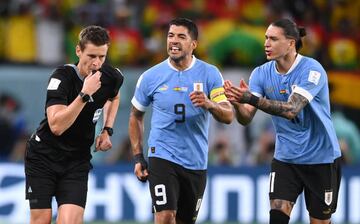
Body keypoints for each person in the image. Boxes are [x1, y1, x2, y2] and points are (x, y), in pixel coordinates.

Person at [224, 18, 341, 224]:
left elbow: (292, 109)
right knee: (277, 215)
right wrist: (237, 102)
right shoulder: (261, 73)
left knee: (319, 221)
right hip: (286, 158)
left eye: (273, 39)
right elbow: (246, 117)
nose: (266, 44)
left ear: (290, 43)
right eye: (266, 38)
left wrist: (250, 98)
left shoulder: (312, 70)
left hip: (321, 158)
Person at [128, 18, 233, 224]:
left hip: (195, 161)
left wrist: (209, 104)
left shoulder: (210, 74)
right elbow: (136, 115)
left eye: (181, 37)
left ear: (194, 44)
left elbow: (228, 115)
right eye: (170, 35)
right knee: (165, 216)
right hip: (162, 155)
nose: (173, 41)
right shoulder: (151, 76)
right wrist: (139, 156)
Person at [24, 25, 124, 224]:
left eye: (102, 57)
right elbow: (56, 126)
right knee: (41, 220)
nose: (96, 63)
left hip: (76, 161)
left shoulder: (112, 77)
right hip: (42, 157)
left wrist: (107, 129)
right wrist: (84, 95)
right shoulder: (61, 78)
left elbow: (114, 96)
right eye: (91, 56)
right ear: (79, 51)